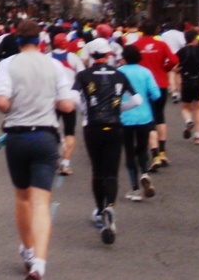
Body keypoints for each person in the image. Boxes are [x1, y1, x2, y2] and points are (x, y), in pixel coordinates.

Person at [0, 20, 75, 280]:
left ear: (17, 40)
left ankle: (27, 250)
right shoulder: (55, 65)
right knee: (41, 202)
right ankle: (39, 262)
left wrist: (18, 101)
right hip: (46, 137)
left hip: (17, 136)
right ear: (41, 41)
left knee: (22, 198)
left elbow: (1, 103)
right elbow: (67, 106)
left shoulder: (7, 65)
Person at [73, 38, 141, 245]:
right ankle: (110, 206)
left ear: (91, 55)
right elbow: (137, 100)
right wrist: (118, 108)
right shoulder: (119, 75)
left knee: (97, 171)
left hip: (92, 127)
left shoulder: (83, 75)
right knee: (111, 172)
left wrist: (85, 110)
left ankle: (100, 209)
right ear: (108, 55)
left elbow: (73, 97)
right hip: (115, 127)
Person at [118, 45, 160, 203]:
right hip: (144, 117)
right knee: (142, 148)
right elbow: (156, 94)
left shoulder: (119, 73)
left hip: (124, 117)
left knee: (129, 152)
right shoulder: (146, 72)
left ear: (124, 57)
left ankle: (135, 188)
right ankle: (144, 173)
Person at [133, 22, 178, 169]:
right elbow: (174, 60)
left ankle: (154, 154)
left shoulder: (136, 45)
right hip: (161, 83)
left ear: (142, 30)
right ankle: (163, 151)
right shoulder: (162, 45)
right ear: (155, 31)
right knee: (160, 116)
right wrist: (165, 68)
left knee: (147, 118)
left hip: (142, 85)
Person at [50, 33, 83, 175]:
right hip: (69, 99)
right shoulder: (73, 58)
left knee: (50, 129)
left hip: (51, 99)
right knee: (69, 131)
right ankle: (65, 164)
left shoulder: (46, 58)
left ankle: (50, 160)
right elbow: (82, 76)